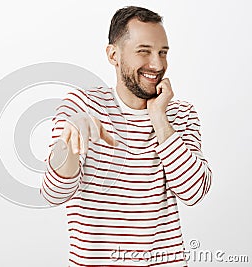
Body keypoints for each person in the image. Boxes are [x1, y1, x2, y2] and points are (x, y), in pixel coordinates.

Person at [40, 6, 212, 267]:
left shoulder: (180, 113)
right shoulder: (81, 106)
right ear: (113, 55)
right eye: (144, 51)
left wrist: (159, 119)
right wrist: (68, 146)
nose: (157, 64)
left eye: (162, 53)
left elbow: (194, 191)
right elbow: (54, 194)